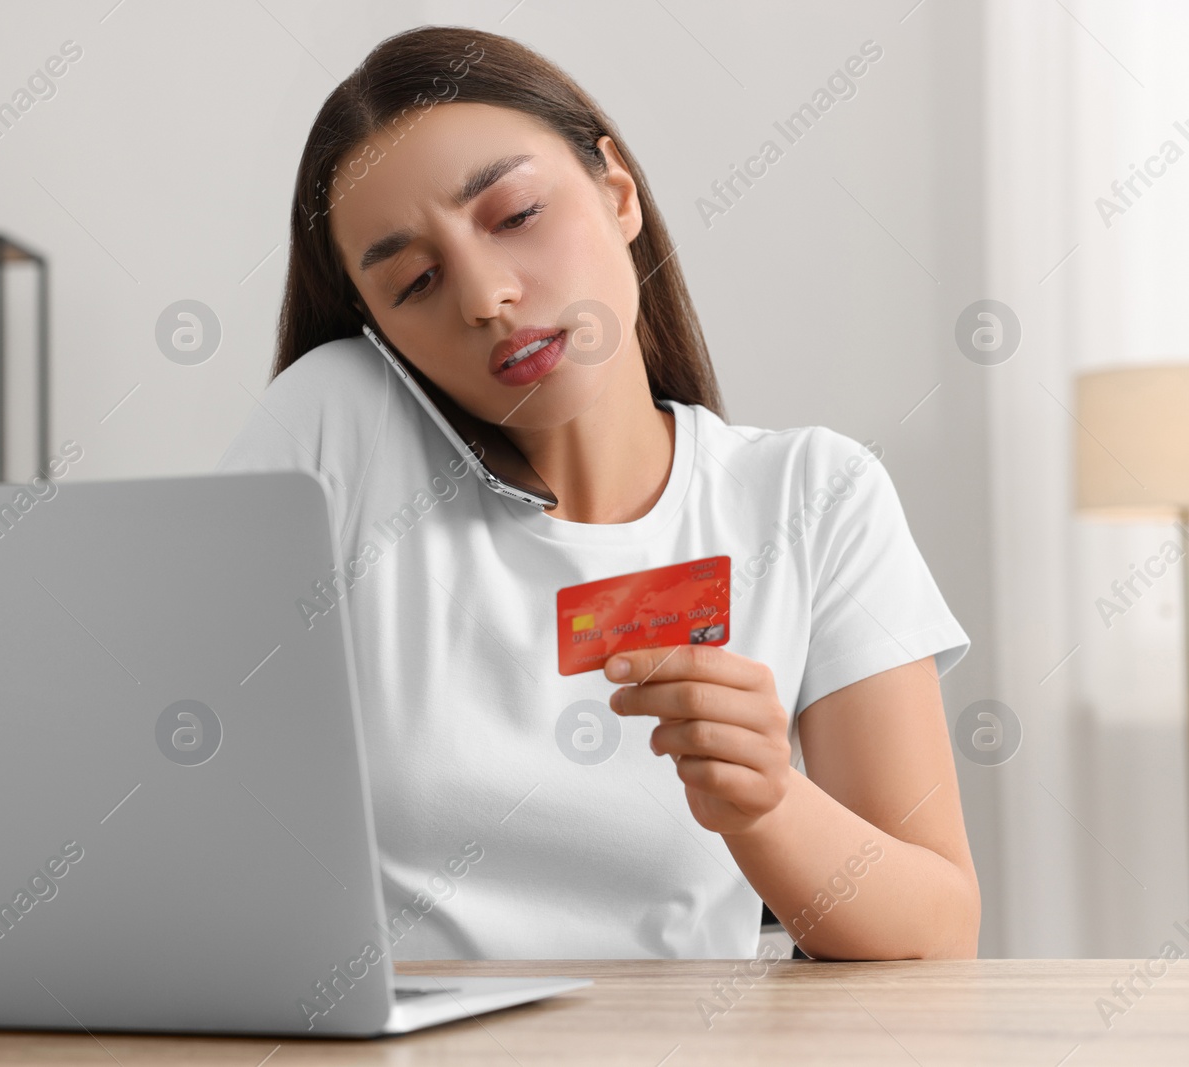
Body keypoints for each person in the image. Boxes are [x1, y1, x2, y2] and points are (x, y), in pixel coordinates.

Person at [217, 25, 979, 961]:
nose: (486, 296)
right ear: (377, 328)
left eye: (516, 215)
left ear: (617, 193)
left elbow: (938, 930)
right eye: (416, 281)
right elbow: (179, 788)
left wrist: (772, 802)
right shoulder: (338, 421)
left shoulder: (813, 494)